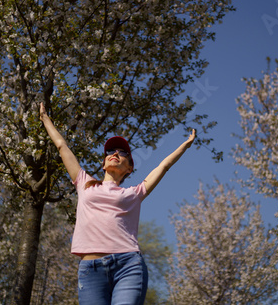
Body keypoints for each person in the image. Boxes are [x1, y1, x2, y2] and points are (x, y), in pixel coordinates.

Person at [39, 102, 196, 305]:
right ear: (104, 163)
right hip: (90, 270)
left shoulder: (134, 193)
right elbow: (62, 146)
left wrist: (185, 144)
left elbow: (163, 166)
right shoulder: (84, 182)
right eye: (110, 151)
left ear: (130, 168)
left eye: (122, 153)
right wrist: (44, 118)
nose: (115, 153)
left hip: (128, 266)